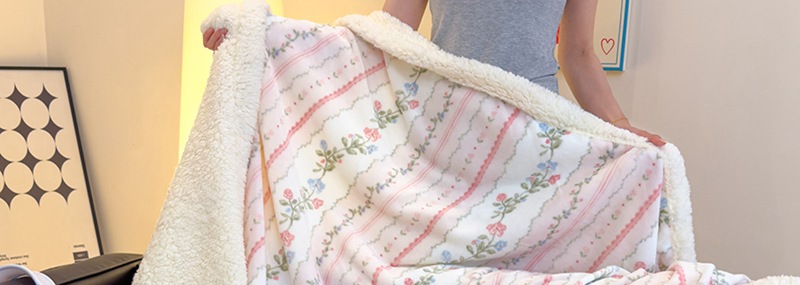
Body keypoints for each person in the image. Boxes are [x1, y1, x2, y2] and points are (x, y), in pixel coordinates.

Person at [203, 0, 664, 146]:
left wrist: (620, 126)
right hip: (446, 127)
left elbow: (578, 53)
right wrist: (265, 38)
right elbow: (385, 35)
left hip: (537, 133)